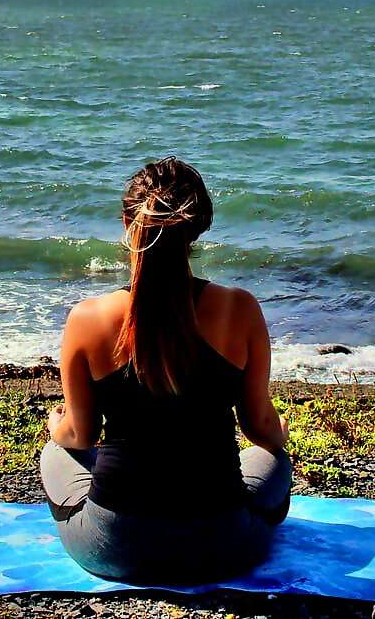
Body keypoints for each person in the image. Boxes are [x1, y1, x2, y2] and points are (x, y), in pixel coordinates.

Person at [40, 157, 292, 583]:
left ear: (126, 223)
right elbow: (259, 428)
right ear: (200, 229)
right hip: (222, 545)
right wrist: (278, 432)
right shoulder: (240, 309)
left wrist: (56, 426)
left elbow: (81, 436)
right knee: (273, 461)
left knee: (56, 453)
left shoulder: (87, 318)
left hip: (118, 547)